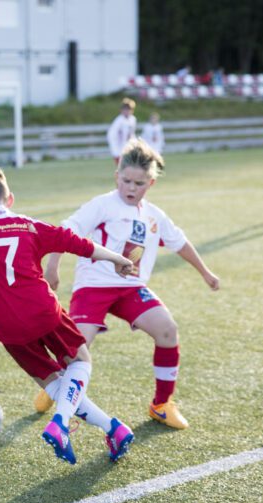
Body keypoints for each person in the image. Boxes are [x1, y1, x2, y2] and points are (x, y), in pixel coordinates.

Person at [0, 167, 137, 464]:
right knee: (80, 361)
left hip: (5, 326)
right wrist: (117, 258)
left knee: (53, 382)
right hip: (42, 311)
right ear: (9, 199)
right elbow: (78, 244)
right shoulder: (30, 225)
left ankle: (113, 429)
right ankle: (61, 423)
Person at [38, 139, 221, 430]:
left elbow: (179, 242)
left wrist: (205, 272)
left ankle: (161, 405)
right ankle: (54, 387)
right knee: (76, 350)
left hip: (131, 288)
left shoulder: (154, 216)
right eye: (126, 181)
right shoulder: (102, 205)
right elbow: (65, 231)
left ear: (151, 183)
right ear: (116, 177)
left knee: (167, 330)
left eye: (139, 183)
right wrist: (53, 266)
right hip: (93, 288)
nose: (131, 188)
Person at [106, 98, 137, 165]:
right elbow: (112, 134)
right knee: (122, 167)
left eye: (129, 109)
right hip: (119, 146)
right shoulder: (119, 120)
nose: (127, 111)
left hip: (128, 146)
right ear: (121, 110)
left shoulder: (133, 119)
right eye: (125, 109)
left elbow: (132, 133)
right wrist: (116, 147)